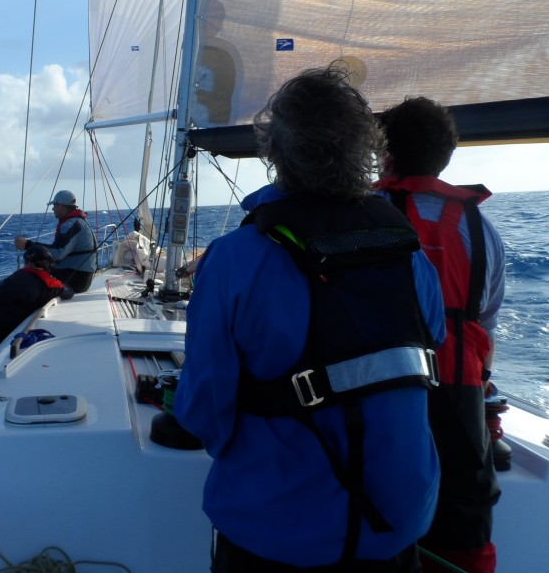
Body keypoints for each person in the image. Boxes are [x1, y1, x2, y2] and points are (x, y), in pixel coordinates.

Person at [173, 66, 446, 572]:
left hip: (277, 534)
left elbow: (202, 411)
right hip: (398, 527)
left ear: (274, 152)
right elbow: (428, 357)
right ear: (365, 150)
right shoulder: (411, 257)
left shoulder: (236, 260)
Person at [376, 96, 505, 573]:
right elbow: (485, 320)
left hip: (384, 392)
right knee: (464, 533)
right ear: (446, 157)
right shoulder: (483, 231)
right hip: (462, 400)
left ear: (384, 152)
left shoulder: (365, 214)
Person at [0, 243, 74, 345]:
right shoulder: (52, 286)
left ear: (30, 263)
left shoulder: (23, 279)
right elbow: (69, 292)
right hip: (11, 325)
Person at [14, 189, 97, 293]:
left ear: (61, 206)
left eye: (54, 206)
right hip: (81, 276)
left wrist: (27, 245)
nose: (53, 209)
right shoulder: (78, 222)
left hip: (75, 279)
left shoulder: (71, 224)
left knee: (27, 277)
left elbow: (58, 252)